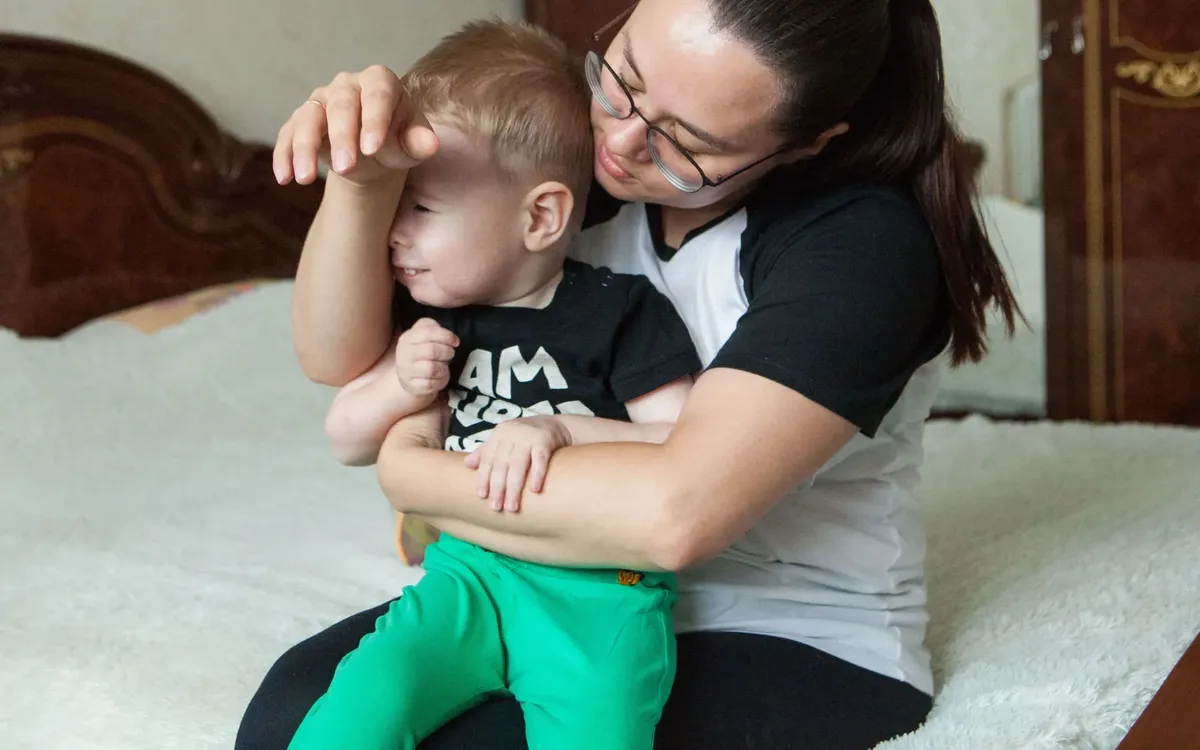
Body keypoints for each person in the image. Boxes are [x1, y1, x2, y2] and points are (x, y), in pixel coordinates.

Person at [238, 0, 1020, 748]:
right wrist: (362, 182)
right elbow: (337, 359)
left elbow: (670, 518)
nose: (620, 140)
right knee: (293, 716)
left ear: (807, 144)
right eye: (623, 78)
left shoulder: (861, 244)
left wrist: (412, 475)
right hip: (530, 575)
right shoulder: (578, 180)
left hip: (788, 628)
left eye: (684, 142)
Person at [288, 19, 699, 750]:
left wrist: (559, 430)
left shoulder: (620, 311)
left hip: (597, 590)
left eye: (420, 207)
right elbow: (345, 439)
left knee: (596, 731)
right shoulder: (437, 314)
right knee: (363, 703)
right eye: (394, 204)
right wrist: (400, 383)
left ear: (540, 216)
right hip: (466, 573)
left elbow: (688, 444)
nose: (394, 232)